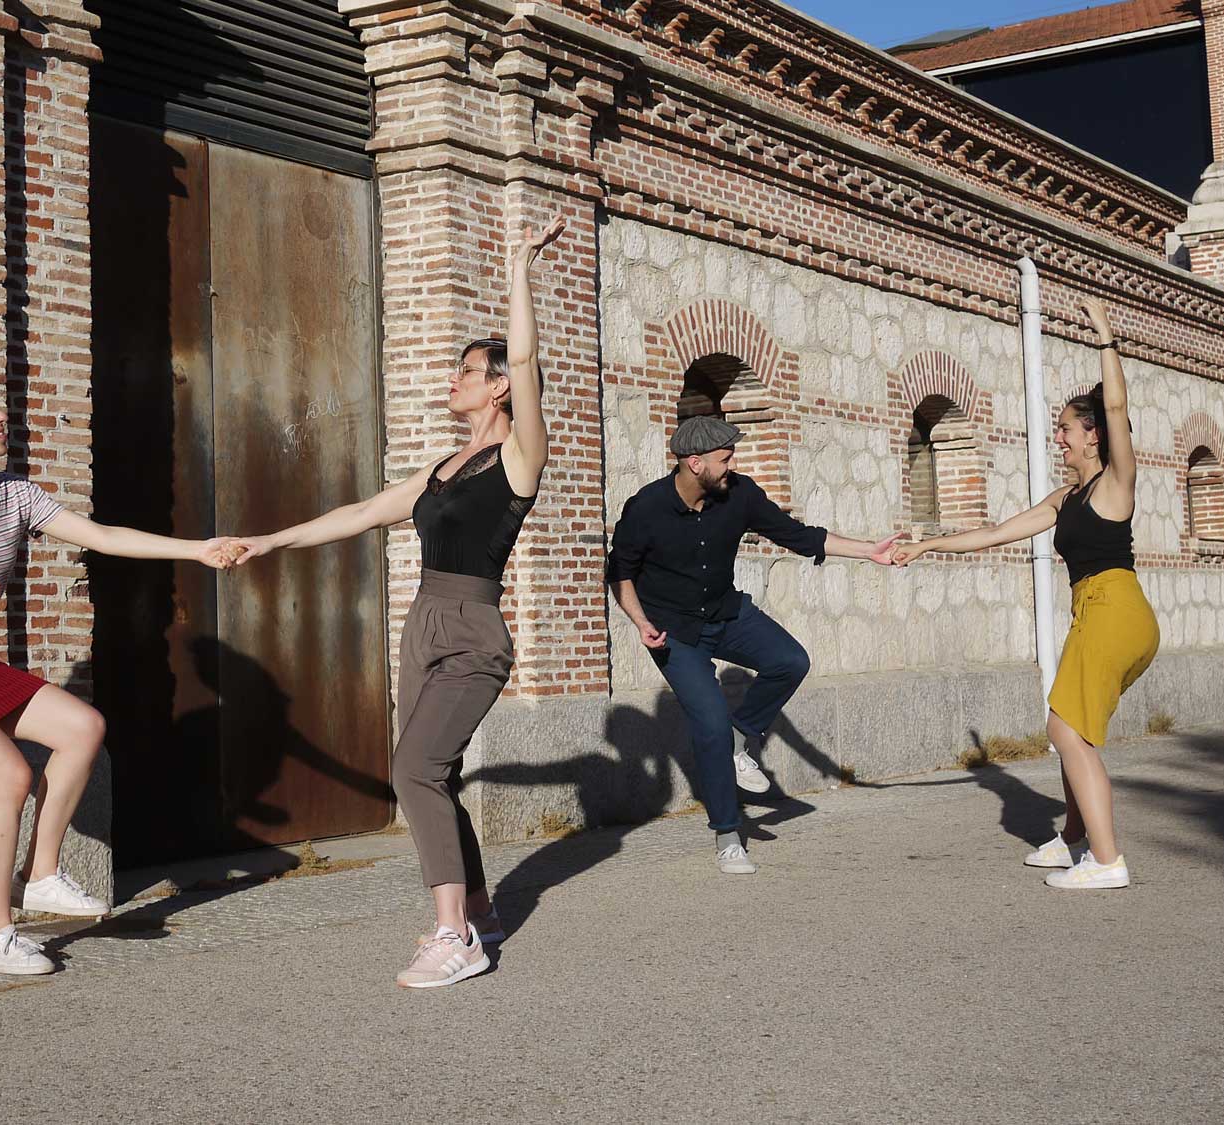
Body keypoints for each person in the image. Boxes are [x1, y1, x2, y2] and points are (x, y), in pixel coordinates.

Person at [226, 217, 565, 988]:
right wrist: (271, 541)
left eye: (467, 371)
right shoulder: (444, 466)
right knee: (430, 773)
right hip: (424, 624)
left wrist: (518, 267)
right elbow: (360, 514)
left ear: (499, 385)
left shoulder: (520, 454)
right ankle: (479, 907)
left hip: (475, 628)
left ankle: (454, 938)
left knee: (416, 765)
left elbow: (532, 358)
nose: (454, 380)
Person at [0, 362, 236, 975]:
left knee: (83, 727)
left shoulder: (16, 495)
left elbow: (104, 536)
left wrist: (197, 549)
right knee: (7, 775)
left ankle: (42, 875)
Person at [893, 299, 1157, 890]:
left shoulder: (1117, 484)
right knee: (1071, 724)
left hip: (1116, 610)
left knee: (1067, 733)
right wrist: (928, 545)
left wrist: (1107, 337)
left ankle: (1108, 861)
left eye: (1065, 428)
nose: (1057, 437)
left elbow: (1116, 403)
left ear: (1095, 436)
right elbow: (994, 532)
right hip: (1094, 613)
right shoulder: (1066, 500)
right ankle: (1073, 839)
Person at [607, 416, 898, 874]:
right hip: (673, 632)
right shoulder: (646, 509)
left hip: (726, 613)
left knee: (790, 660)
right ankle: (728, 835)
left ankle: (742, 735)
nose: (732, 466)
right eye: (725, 459)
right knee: (709, 725)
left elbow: (796, 535)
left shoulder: (739, 494)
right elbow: (619, 573)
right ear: (694, 462)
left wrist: (868, 551)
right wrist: (640, 622)